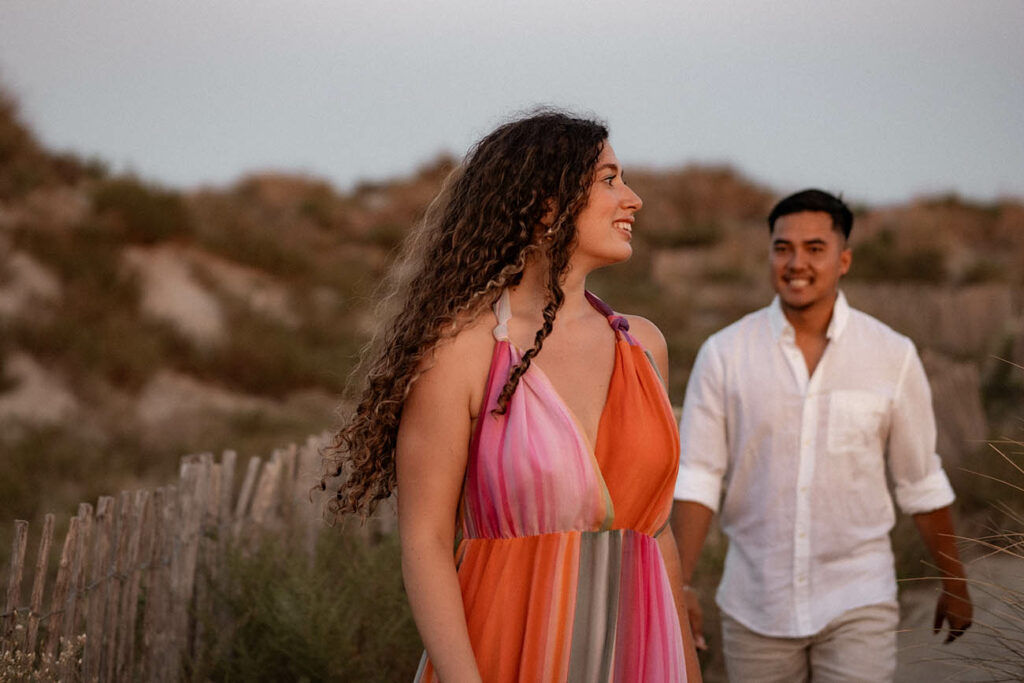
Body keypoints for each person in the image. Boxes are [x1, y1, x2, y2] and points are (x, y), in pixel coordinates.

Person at [324, 110, 701, 682]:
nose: (634, 198)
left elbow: (657, 531)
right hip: (507, 654)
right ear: (547, 205)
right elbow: (425, 543)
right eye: (609, 179)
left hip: (642, 658)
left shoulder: (644, 346)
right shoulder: (459, 353)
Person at [671, 189, 973, 682]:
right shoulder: (724, 354)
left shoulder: (891, 356)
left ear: (844, 259)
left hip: (858, 598)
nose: (796, 263)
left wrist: (955, 581)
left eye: (814, 248)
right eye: (782, 248)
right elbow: (700, 476)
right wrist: (680, 584)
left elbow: (920, 480)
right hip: (755, 604)